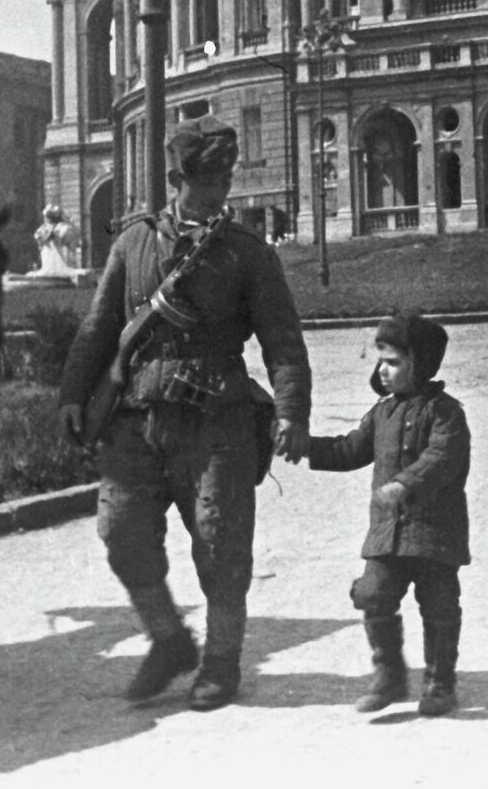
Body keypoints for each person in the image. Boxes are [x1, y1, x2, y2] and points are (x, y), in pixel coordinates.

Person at [58, 115, 312, 712]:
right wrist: (73, 393)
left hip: (216, 418)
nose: (220, 186)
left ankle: (220, 664)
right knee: (121, 532)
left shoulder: (247, 253)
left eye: (225, 174)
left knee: (222, 545)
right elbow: (99, 327)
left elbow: (282, 339)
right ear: (177, 176)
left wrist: (291, 410)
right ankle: (170, 640)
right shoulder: (133, 243)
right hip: (137, 416)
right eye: (207, 176)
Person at [306, 310, 469, 717]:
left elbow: (441, 457)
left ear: (422, 364)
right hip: (387, 534)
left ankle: (439, 681)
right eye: (380, 361)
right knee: (373, 594)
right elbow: (349, 449)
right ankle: (390, 674)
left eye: (394, 362)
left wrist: (404, 484)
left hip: (434, 533)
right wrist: (305, 447)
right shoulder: (382, 413)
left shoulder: (446, 412)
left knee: (440, 605)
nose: (384, 370)